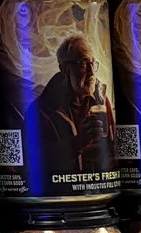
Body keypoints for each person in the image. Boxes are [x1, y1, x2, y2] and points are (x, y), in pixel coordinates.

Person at [35, 33, 113, 180]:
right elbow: (32, 160)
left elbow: (113, 150)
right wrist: (77, 143)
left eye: (93, 64)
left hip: (98, 187)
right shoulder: (42, 110)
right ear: (64, 69)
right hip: (61, 189)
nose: (91, 72)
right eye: (83, 63)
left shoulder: (102, 101)